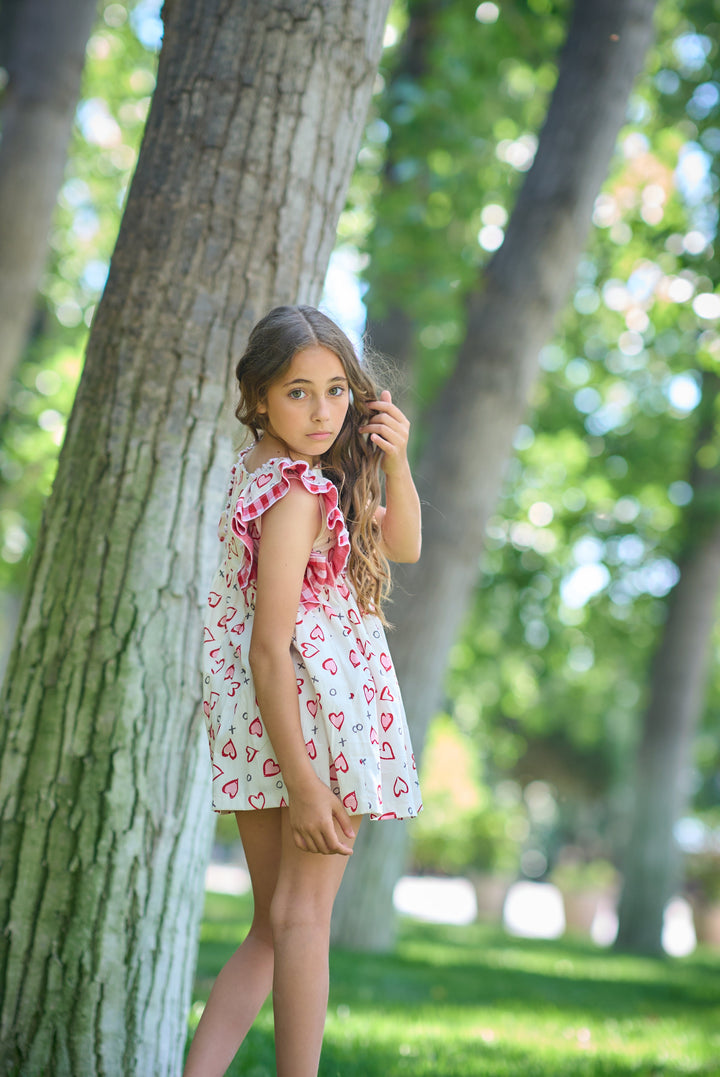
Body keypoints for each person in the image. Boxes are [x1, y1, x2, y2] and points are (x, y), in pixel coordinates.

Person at [185, 305, 423, 1077]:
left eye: (335, 391)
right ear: (257, 396)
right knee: (303, 919)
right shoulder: (294, 493)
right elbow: (270, 644)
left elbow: (406, 544)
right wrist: (307, 782)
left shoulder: (251, 474)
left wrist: (398, 463)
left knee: (270, 925)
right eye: (298, 393)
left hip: (265, 718)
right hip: (314, 715)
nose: (323, 413)